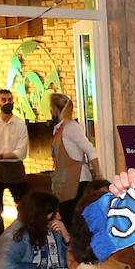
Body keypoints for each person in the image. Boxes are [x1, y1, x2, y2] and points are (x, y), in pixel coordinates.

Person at [0, 87, 29, 240]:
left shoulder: (20, 124)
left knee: (25, 207)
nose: (7, 102)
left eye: (10, 99)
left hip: (16, 171)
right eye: (4, 99)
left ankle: (23, 237)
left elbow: (21, 153)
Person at [49, 92, 98, 225]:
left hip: (78, 181)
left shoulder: (71, 127)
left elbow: (90, 150)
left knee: (73, 220)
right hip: (64, 180)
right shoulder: (58, 129)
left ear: (55, 109)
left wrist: (99, 176)